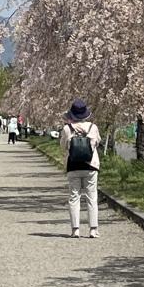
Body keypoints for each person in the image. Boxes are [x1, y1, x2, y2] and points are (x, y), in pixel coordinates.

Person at [59, 99, 101, 239]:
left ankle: (75, 229)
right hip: (90, 165)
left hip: (73, 165)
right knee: (92, 197)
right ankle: (93, 229)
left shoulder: (67, 129)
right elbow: (98, 142)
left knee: (74, 197)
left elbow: (62, 146)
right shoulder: (93, 127)